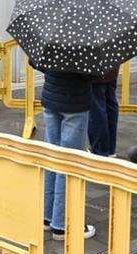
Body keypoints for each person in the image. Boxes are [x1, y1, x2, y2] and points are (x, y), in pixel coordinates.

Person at [41, 69, 96, 240]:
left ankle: (47, 215)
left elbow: (36, 62)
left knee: (52, 157)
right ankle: (62, 224)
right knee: (69, 161)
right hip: (75, 103)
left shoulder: (51, 41)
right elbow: (89, 73)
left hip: (50, 98)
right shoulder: (84, 44)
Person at [88, 67, 120, 156]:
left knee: (96, 111)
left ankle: (100, 150)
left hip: (95, 72)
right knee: (110, 106)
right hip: (111, 68)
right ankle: (110, 149)